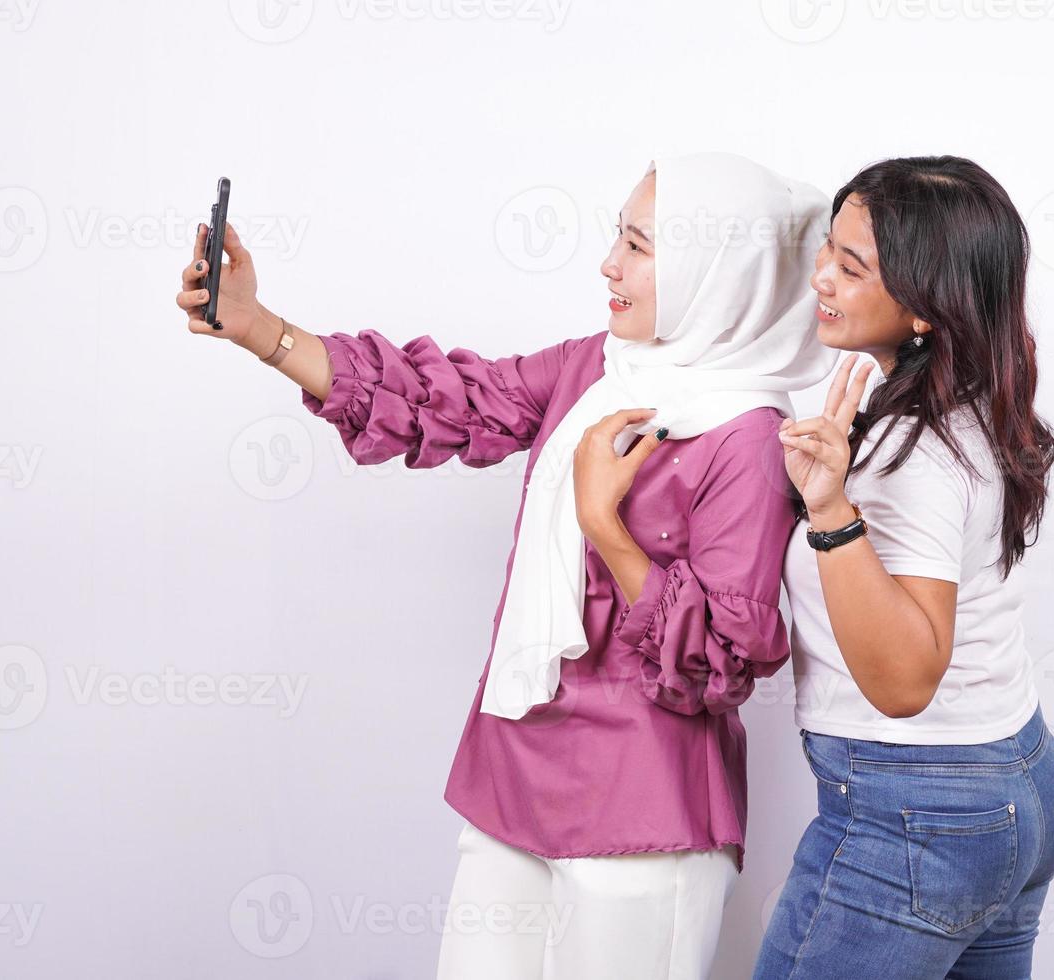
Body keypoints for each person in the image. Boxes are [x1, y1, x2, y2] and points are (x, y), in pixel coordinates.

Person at [174, 152, 836, 979]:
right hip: (511, 771)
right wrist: (260, 330)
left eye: (638, 245)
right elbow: (445, 398)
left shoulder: (747, 438)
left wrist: (605, 522)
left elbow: (723, 668)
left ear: (717, 274)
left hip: (642, 807)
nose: (609, 263)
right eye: (616, 238)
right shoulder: (596, 370)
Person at [756, 156, 1054, 979]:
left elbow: (904, 682)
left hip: (917, 817)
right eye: (829, 249)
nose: (820, 276)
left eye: (851, 266)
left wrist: (830, 513)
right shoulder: (969, 401)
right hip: (1018, 781)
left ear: (928, 307)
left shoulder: (917, 454)